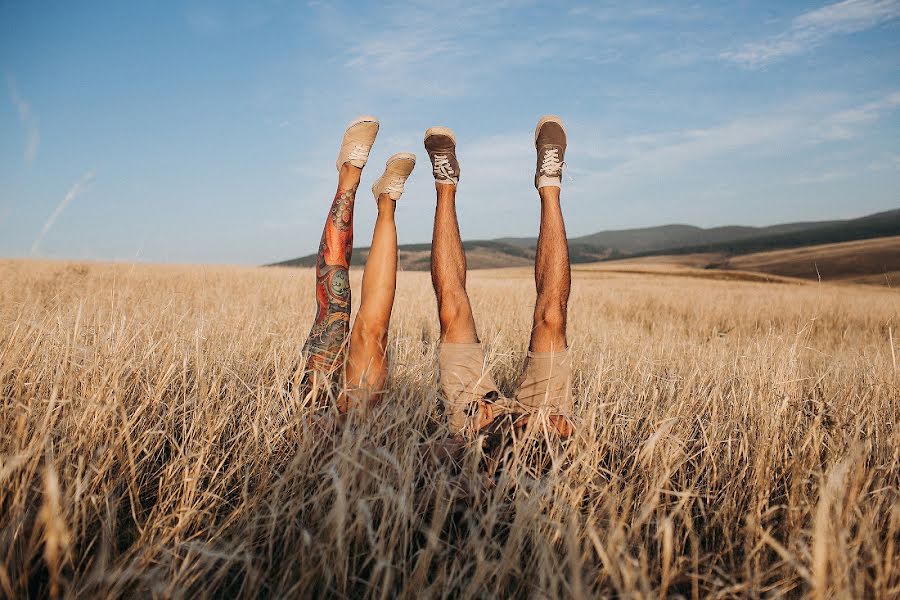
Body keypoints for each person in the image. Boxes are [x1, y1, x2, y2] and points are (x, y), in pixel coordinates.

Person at [425, 116, 575, 439]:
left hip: (477, 426)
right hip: (540, 426)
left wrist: (462, 439)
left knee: (450, 310)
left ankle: (444, 185)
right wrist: (567, 434)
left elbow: (431, 458)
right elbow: (587, 462)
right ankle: (550, 183)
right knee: (552, 316)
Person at [301, 116, 415, 412]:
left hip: (315, 419)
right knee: (375, 329)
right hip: (356, 426)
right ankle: (387, 201)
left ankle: (349, 174)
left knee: (335, 314)